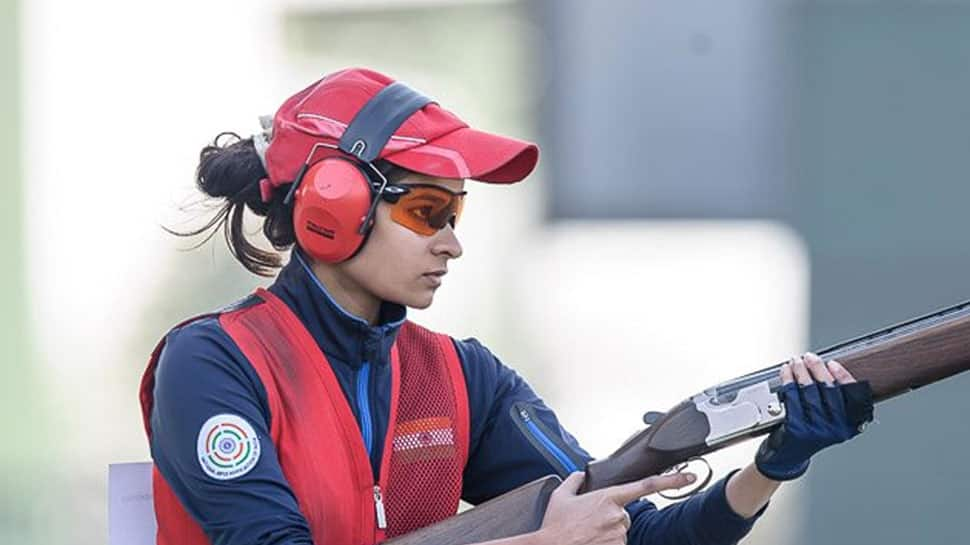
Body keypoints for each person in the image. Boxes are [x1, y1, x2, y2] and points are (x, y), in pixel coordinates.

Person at [139, 67, 875, 545]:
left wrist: (772, 467)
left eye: (457, 214)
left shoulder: (462, 378)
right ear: (336, 203)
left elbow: (637, 536)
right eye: (428, 211)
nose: (452, 244)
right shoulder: (213, 363)